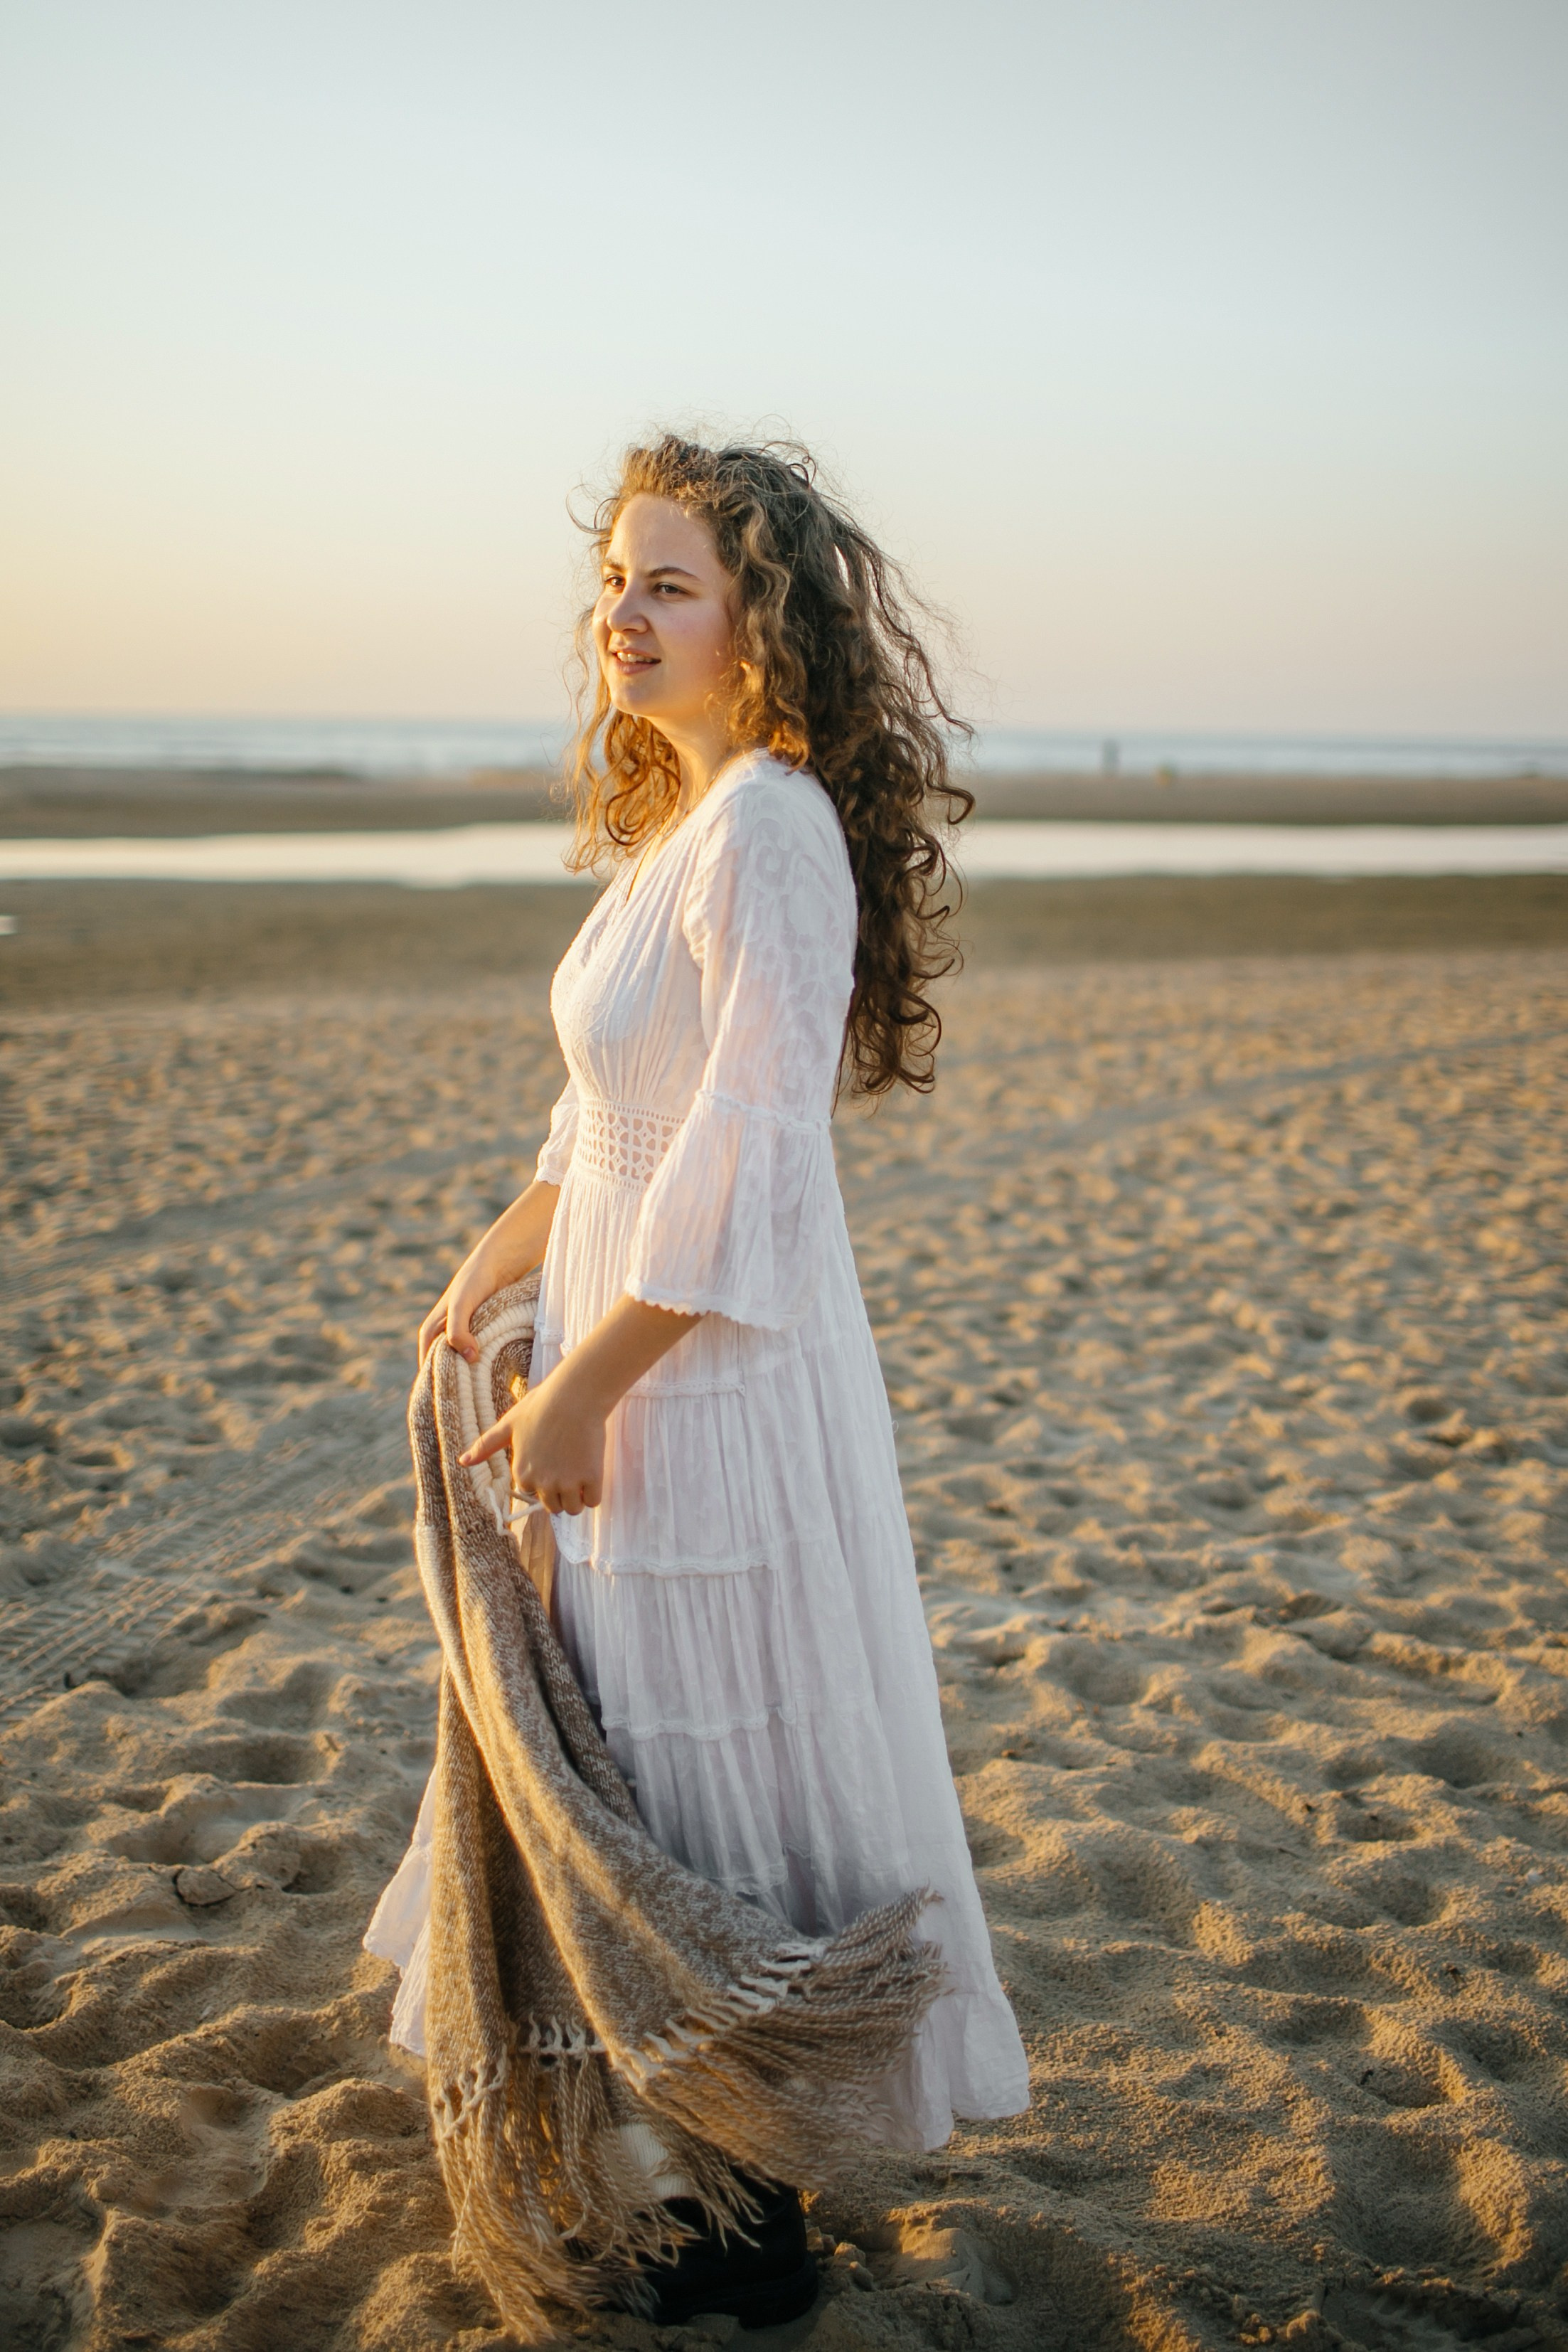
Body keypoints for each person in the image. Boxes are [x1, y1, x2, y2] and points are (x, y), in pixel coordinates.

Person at [368, 433, 1029, 2325]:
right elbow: (607, 1121)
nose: (623, 614)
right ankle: (701, 2155)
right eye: (615, 581)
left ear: (762, 621)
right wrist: (492, 1267)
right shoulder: (683, 829)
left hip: (710, 1382)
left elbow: (747, 1147)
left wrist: (587, 1378)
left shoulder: (769, 827)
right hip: (627, 1348)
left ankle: (758, 2201)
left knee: (714, 1748)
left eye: (670, 582)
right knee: (641, 1741)